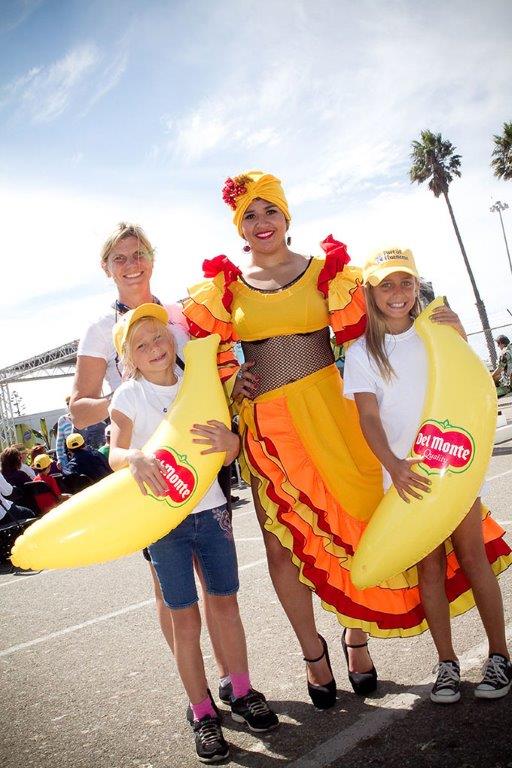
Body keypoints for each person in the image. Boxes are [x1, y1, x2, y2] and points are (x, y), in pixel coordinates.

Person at [183, 170, 421, 708]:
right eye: (249, 215)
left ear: (287, 216)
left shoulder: (330, 273)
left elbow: (377, 336)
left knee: (356, 520)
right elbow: (211, 356)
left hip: (334, 412)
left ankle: (355, 634)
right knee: (281, 546)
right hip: (269, 426)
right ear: (239, 228)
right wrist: (230, 378)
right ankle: (314, 654)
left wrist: (438, 331)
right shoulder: (223, 290)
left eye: (270, 210)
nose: (261, 222)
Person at [69, 221, 233, 716]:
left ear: (152, 257)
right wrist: (127, 396)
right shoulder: (100, 329)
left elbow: (209, 374)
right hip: (146, 469)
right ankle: (197, 695)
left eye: (138, 253)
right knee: (170, 590)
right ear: (106, 268)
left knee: (220, 586)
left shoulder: (183, 315)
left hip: (204, 458)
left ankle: (234, 681)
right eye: (119, 258)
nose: (131, 264)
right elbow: (78, 409)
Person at [109, 304, 278, 762]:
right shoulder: (128, 397)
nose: (154, 348)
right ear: (129, 357)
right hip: (163, 523)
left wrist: (232, 444)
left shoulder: (198, 385)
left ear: (171, 339)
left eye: (158, 337)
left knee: (225, 603)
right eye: (140, 345)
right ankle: (202, 711)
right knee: (184, 618)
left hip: (213, 513)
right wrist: (134, 458)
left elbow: (226, 452)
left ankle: (241, 692)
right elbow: (114, 453)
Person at [343, 247, 512, 702]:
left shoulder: (437, 332)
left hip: (453, 466)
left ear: (417, 287)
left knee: (474, 556)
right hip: (405, 478)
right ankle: (447, 664)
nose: (397, 293)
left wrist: (458, 335)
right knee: (430, 570)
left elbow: (476, 386)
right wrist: (394, 466)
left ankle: (500, 656)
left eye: (406, 283)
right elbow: (369, 420)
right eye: (387, 285)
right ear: (371, 292)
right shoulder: (361, 353)